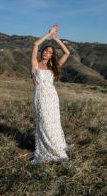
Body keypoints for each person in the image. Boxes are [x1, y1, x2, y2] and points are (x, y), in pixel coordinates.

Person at [30, 24, 73, 165]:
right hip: (40, 97)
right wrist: (49, 35)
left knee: (53, 123)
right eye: (45, 51)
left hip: (52, 98)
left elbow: (67, 53)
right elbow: (35, 44)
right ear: (42, 52)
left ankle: (57, 147)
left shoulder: (53, 66)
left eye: (49, 52)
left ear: (51, 55)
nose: (47, 53)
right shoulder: (35, 64)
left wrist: (57, 40)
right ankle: (45, 150)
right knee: (44, 123)